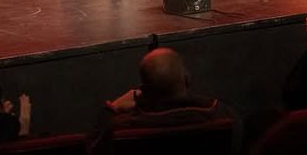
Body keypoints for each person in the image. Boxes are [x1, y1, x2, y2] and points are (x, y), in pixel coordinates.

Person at [90, 47, 235, 154]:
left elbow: (93, 148)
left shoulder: (124, 127)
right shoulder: (221, 113)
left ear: (143, 91)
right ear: (188, 79)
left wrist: (111, 109)